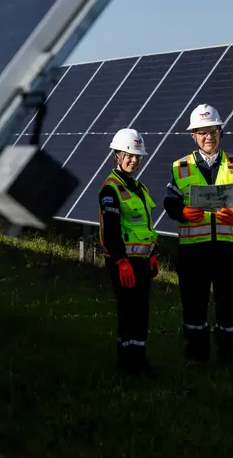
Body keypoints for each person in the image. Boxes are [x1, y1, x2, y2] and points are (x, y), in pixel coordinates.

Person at [163, 104, 233, 366]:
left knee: (228, 301)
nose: (208, 137)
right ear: (193, 136)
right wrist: (182, 211)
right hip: (194, 249)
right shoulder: (180, 167)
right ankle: (196, 353)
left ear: (220, 131)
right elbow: (169, 201)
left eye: (212, 131)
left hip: (228, 248)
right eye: (202, 132)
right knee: (194, 302)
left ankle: (231, 353)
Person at [98, 127, 160, 378]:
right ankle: (126, 364)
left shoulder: (140, 188)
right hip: (123, 262)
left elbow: (145, 226)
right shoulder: (111, 189)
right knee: (128, 311)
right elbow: (111, 231)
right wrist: (121, 261)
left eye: (137, 156)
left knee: (141, 311)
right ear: (117, 156)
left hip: (143, 261)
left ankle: (139, 361)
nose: (133, 160)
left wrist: (153, 253)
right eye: (128, 155)